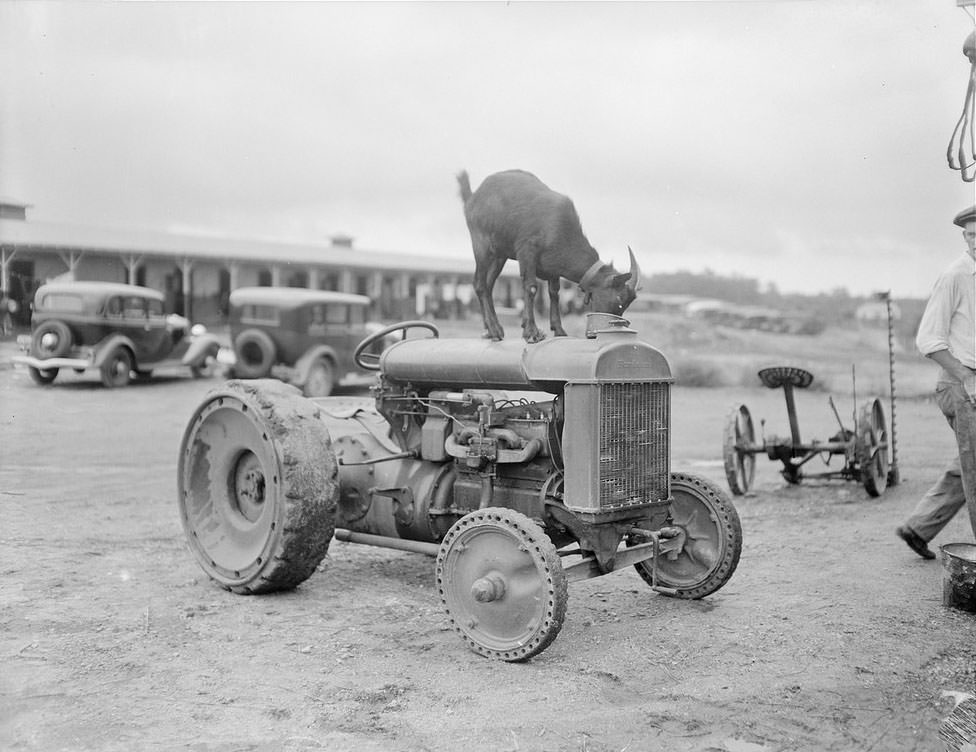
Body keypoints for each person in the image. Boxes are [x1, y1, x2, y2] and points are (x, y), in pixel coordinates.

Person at [896, 204, 976, 559]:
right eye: (972, 236)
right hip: (960, 382)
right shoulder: (955, 275)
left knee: (969, 462)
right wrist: (966, 377)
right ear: (964, 237)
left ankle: (919, 527)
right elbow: (929, 340)